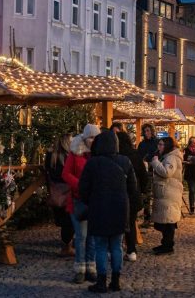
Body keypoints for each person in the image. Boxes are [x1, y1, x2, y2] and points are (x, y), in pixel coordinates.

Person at [79, 131, 137, 293]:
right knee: (117, 246)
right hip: (120, 208)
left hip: (99, 208)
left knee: (101, 247)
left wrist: (89, 201)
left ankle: (102, 281)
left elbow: (83, 189)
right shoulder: (125, 161)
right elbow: (133, 188)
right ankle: (116, 281)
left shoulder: (93, 163)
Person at [62, 123, 101, 284]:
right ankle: (80, 270)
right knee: (81, 236)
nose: (92, 140)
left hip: (94, 201)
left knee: (92, 237)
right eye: (90, 137)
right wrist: (80, 184)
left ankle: (91, 268)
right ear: (85, 138)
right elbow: (65, 174)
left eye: (95, 137)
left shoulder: (98, 154)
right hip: (78, 201)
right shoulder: (75, 153)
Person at [150, 137, 183, 255]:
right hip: (167, 192)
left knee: (168, 221)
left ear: (167, 146)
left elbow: (166, 172)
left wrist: (155, 162)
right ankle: (165, 244)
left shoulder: (171, 157)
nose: (159, 146)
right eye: (158, 144)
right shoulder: (168, 156)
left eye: (161, 144)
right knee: (166, 219)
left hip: (170, 192)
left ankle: (168, 246)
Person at [117, 131, 145, 262]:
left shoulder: (116, 156)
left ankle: (116, 250)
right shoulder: (135, 155)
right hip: (134, 193)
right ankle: (131, 250)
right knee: (131, 223)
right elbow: (143, 175)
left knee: (116, 223)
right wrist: (142, 190)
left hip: (119, 194)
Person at [45, 133, 74, 257]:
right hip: (68, 192)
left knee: (62, 219)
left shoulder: (51, 157)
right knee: (69, 220)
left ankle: (66, 245)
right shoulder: (68, 157)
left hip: (55, 192)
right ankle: (67, 246)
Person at [137, 123, 158, 226]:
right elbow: (139, 157)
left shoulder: (157, 142)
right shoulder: (142, 144)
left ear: (152, 131)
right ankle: (147, 217)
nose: (146, 133)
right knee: (147, 195)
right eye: (145, 131)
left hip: (157, 171)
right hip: (147, 171)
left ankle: (157, 216)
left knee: (157, 194)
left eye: (148, 131)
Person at [183, 137, 195, 215]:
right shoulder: (186, 150)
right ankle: (192, 207)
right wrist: (189, 161)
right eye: (193, 142)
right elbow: (185, 159)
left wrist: (194, 160)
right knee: (192, 190)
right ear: (190, 143)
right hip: (190, 173)